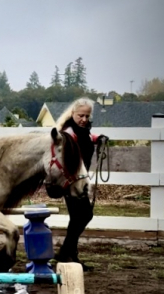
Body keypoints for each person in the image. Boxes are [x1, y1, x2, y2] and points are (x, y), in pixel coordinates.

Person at [54, 97, 108, 270]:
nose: (84, 119)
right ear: (73, 114)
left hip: (78, 180)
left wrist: (97, 138)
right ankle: (67, 253)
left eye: (87, 116)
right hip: (72, 181)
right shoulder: (68, 133)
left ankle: (69, 254)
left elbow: (85, 137)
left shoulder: (79, 130)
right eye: (81, 115)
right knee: (83, 215)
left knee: (79, 216)